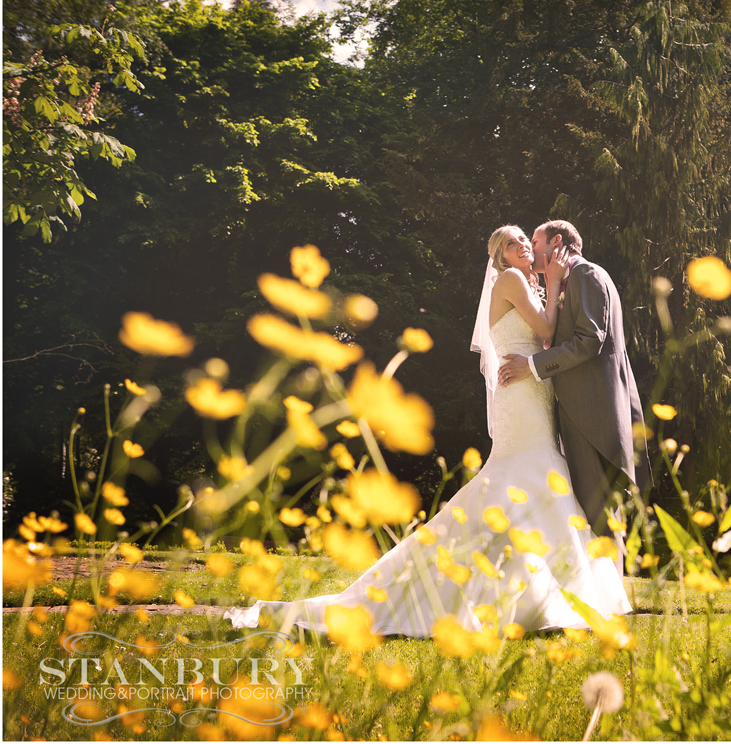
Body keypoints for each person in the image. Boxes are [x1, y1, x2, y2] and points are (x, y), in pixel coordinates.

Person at [225, 225, 632, 636]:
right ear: (499, 256)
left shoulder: (533, 286)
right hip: (522, 397)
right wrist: (557, 281)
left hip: (534, 393)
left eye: (526, 239)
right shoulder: (511, 280)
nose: (524, 245)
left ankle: (541, 596)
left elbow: (550, 337)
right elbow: (546, 333)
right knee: (530, 473)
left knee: (535, 478)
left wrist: (552, 292)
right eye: (513, 243)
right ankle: (542, 597)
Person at [499, 221, 652, 554]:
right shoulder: (567, 281)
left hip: (592, 409)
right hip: (577, 407)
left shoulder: (586, 274)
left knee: (598, 510)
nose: (532, 248)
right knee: (593, 509)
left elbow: (588, 341)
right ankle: (607, 594)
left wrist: (531, 365)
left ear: (555, 242)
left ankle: (613, 598)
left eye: (535, 241)